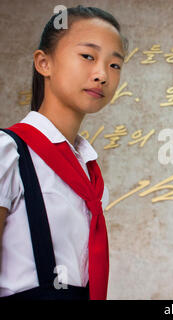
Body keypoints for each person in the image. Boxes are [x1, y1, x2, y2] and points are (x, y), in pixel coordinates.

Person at [0, 5, 128, 300]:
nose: (102, 75)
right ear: (44, 63)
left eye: (114, 65)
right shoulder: (9, 153)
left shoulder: (88, 172)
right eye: (88, 56)